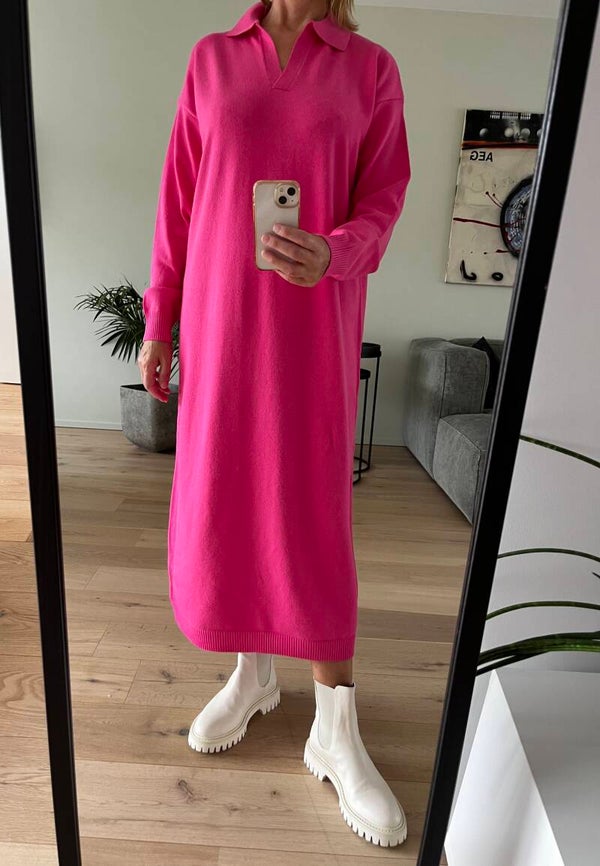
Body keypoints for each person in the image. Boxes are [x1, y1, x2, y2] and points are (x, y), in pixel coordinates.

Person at [138, 0, 411, 847]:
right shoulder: (213, 58)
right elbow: (180, 199)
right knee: (227, 497)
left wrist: (337, 250)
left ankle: (335, 723)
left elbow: (384, 198)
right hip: (219, 324)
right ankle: (254, 675)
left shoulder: (370, 69)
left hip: (313, 332)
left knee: (312, 512)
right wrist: (159, 318)